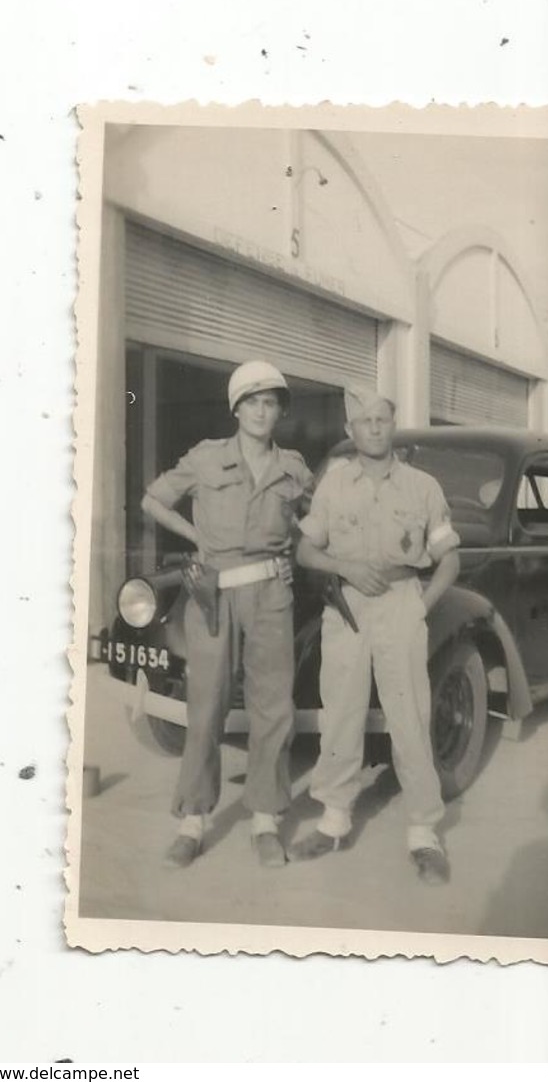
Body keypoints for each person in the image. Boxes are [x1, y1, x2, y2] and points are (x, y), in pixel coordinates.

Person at [141, 360, 312, 869]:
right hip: (212, 595)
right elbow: (153, 500)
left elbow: (312, 524)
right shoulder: (205, 458)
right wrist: (200, 540)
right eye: (252, 403)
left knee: (272, 709)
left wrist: (287, 559)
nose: (261, 412)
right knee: (206, 708)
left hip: (270, 599)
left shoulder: (295, 468)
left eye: (270, 403)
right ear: (236, 409)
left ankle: (265, 820)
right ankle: (192, 821)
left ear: (279, 411)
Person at [289, 386, 460, 885]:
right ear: (350, 431)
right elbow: (306, 552)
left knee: (409, 714)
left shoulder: (423, 486)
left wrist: (419, 608)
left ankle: (424, 831)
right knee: (340, 709)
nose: (375, 428)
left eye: (383, 419)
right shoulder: (333, 484)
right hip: (347, 605)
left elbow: (449, 559)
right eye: (364, 421)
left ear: (393, 424)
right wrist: (344, 566)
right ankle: (334, 818)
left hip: (403, 601)